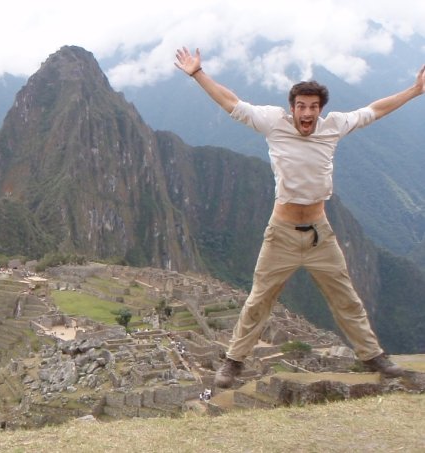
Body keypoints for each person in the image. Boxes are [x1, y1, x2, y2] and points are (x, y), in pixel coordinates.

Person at [174, 46, 425, 388]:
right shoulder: (273, 123)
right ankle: (233, 361)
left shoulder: (333, 127)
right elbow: (232, 104)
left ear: (321, 110)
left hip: (321, 233)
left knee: (346, 297)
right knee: (259, 299)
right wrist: (198, 74)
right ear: (292, 108)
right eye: (301, 106)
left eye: (313, 107)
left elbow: (374, 110)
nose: (307, 113)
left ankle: (373, 356)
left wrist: (414, 91)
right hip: (282, 233)